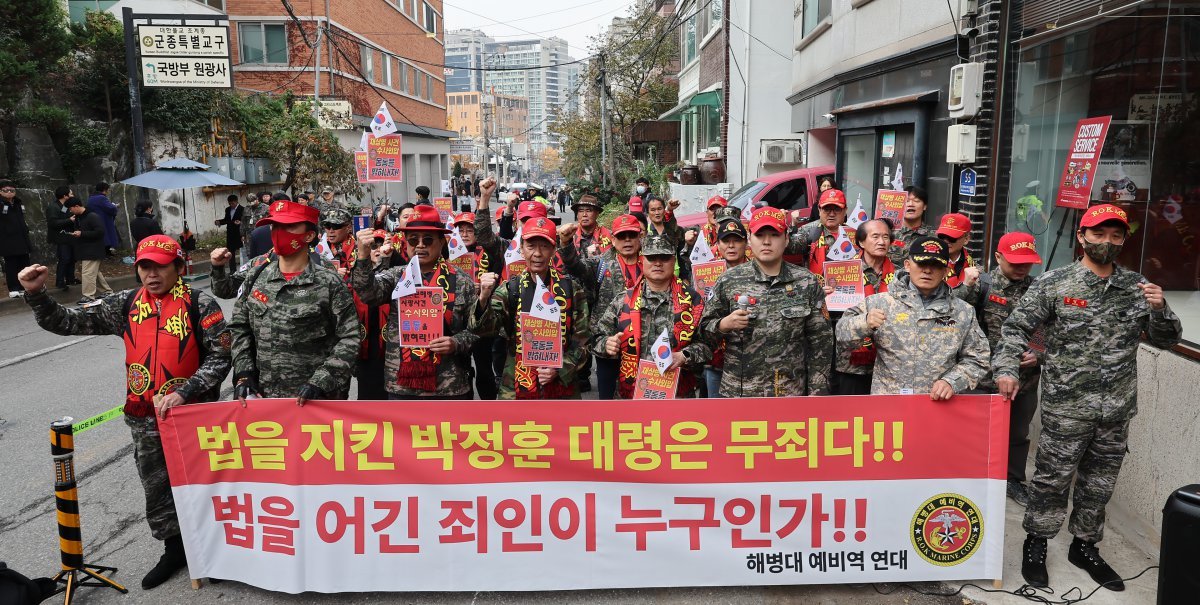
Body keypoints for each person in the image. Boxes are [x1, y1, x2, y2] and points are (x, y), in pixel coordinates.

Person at [18, 235, 231, 589]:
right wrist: (37, 294)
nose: (151, 274)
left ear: (178, 267)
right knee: (157, 487)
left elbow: (222, 356)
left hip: (195, 416)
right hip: (145, 417)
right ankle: (175, 549)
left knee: (203, 484)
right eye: (144, 266)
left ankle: (213, 550)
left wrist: (186, 390)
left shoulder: (199, 303)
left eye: (160, 266)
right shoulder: (126, 303)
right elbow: (68, 322)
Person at [994, 204, 1182, 592]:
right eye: (1098, 234)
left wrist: (1160, 309)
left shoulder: (1137, 286)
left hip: (1116, 408)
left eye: (1116, 236)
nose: (1107, 242)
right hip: (1067, 406)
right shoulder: (1055, 284)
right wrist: (1008, 369)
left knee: (1099, 483)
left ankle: (1084, 546)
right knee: (1051, 481)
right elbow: (1015, 329)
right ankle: (1037, 544)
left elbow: (1166, 340)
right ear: (1081, 237)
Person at [228, 201, 360, 402]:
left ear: (309, 235)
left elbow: (350, 337)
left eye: (288, 227)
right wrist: (243, 373)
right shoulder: (256, 277)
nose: (279, 233)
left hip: (316, 400)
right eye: (275, 227)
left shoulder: (328, 282)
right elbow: (240, 327)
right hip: (265, 396)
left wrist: (321, 380)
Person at [700, 207, 833, 397]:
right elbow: (703, 336)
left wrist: (816, 394)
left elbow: (821, 344)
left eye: (774, 235)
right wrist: (723, 324)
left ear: (786, 239)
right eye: (760, 235)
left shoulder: (807, 282)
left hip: (789, 395)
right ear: (749, 239)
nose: (767, 241)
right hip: (739, 396)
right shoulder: (728, 281)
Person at [952, 231, 1043, 505]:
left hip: (1023, 380)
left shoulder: (1040, 289)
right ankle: (966, 478)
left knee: (1017, 433)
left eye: (1026, 263)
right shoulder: (982, 285)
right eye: (1015, 262)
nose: (1021, 268)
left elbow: (1052, 329)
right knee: (972, 432)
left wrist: (1039, 354)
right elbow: (950, 313)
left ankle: (1012, 479)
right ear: (998, 257)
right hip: (981, 378)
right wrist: (965, 286)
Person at [836, 236, 989, 397]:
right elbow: (841, 335)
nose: (927, 271)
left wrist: (952, 381)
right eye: (921, 263)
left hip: (937, 406)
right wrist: (864, 322)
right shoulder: (880, 302)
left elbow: (979, 358)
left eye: (935, 266)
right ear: (908, 265)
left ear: (945, 271)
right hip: (889, 405)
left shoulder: (961, 311)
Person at [352, 206, 478, 399]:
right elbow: (367, 294)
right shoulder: (396, 277)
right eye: (413, 240)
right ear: (405, 243)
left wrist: (456, 342)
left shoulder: (461, 281)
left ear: (441, 242)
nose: (420, 245)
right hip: (402, 386)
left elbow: (478, 330)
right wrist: (362, 256)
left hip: (448, 386)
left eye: (427, 240)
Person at [471, 217, 590, 399]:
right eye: (531, 246)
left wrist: (560, 368)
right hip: (515, 388)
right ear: (521, 249)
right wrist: (483, 298)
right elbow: (483, 330)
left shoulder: (571, 290)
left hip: (562, 391)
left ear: (554, 250)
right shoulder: (510, 289)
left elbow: (583, 343)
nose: (537, 253)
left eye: (544, 246)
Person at [592, 234, 711, 398]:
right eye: (651, 257)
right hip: (631, 395)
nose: (657, 263)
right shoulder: (623, 300)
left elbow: (708, 344)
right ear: (642, 260)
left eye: (664, 257)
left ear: (674, 260)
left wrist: (685, 355)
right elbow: (596, 337)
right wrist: (607, 344)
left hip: (677, 395)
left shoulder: (693, 301)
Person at [560, 214, 645, 399]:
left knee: (641, 399)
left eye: (632, 235)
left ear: (640, 237)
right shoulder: (601, 263)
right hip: (608, 343)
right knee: (608, 401)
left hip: (643, 343)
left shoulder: (652, 264)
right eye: (622, 236)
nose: (628, 240)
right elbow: (575, 266)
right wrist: (566, 243)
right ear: (613, 240)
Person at [832, 218, 897, 395]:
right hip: (851, 363)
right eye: (875, 236)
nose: (882, 242)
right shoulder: (842, 271)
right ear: (861, 242)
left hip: (890, 363)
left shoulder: (901, 275)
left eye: (886, 237)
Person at [700, 218, 751, 395]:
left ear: (746, 243)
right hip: (716, 360)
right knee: (718, 417)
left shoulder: (760, 271)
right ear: (717, 244)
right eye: (725, 241)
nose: (731, 246)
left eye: (737, 240)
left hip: (754, 363)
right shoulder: (705, 273)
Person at [453, 212, 498, 400]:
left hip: (482, 314)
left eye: (469, 230)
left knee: (484, 364)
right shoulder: (448, 252)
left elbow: (500, 275)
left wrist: (487, 285)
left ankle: (488, 404)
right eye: (460, 230)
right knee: (459, 363)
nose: (464, 234)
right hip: (458, 316)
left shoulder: (488, 251)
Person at [798, 188, 850, 277]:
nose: (832, 214)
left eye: (837, 209)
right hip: (817, 287)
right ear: (819, 210)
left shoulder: (854, 234)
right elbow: (784, 246)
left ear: (845, 211)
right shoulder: (807, 231)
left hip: (848, 286)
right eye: (827, 209)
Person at [70, 197, 112, 304]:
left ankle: (89, 296)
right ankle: (107, 291)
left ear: (76, 206)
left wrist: (82, 233)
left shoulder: (92, 216)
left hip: (93, 250)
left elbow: (100, 232)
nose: (70, 211)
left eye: (71, 208)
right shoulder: (79, 218)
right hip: (85, 249)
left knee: (88, 273)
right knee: (94, 272)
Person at [0, 180, 33, 298]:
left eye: (12, 190)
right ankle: (13, 288)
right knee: (11, 265)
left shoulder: (18, 203)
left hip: (22, 238)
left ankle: (23, 287)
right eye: (5, 190)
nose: (9, 192)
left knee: (24, 264)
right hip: (7, 240)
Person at [888, 185, 933, 264]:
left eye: (916, 201)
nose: (911, 204)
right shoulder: (888, 233)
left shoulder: (933, 236)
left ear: (925, 206)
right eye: (907, 201)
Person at [45, 186, 79, 291]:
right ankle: (60, 281)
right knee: (64, 258)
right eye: (71, 193)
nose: (73, 195)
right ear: (65, 196)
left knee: (72, 258)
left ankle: (70, 279)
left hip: (69, 236)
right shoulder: (53, 207)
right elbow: (53, 223)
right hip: (60, 237)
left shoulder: (65, 206)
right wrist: (69, 220)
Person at [936, 213, 979, 288]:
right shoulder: (929, 264)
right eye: (942, 236)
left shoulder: (975, 268)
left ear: (966, 239)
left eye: (952, 238)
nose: (946, 241)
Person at [570, 194, 612, 259]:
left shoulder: (610, 236)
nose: (584, 214)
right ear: (577, 215)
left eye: (588, 211)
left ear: (597, 214)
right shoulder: (570, 235)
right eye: (581, 211)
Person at [87, 182, 119, 255]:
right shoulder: (101, 198)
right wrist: (114, 206)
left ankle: (104, 252)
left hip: (94, 220)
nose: (108, 191)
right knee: (107, 236)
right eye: (107, 190)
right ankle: (107, 252)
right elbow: (111, 208)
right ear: (104, 189)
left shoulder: (91, 198)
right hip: (104, 220)